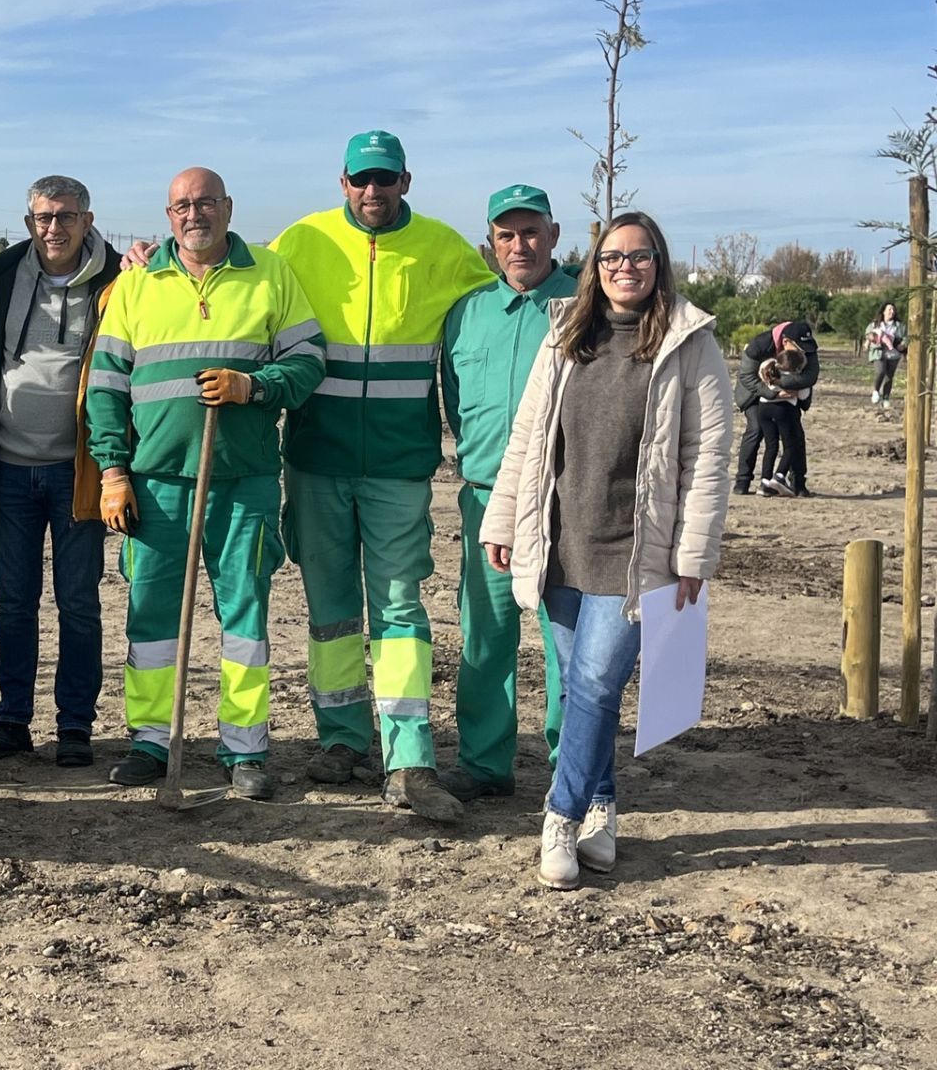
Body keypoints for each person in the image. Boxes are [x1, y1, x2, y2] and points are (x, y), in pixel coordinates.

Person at [480, 211, 732, 890]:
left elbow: (707, 457)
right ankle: (603, 807)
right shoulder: (565, 334)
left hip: (636, 550)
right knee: (580, 688)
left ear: (660, 263)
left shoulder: (689, 343)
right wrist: (503, 523)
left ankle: (559, 816)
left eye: (640, 256)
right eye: (613, 257)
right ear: (594, 266)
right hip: (564, 541)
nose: (626, 268)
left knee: (594, 684)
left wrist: (694, 556)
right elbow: (529, 437)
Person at [269, 130, 494, 824]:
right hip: (315, 459)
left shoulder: (443, 247)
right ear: (342, 182)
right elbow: (242, 285)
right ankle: (341, 740)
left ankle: (408, 759)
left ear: (406, 181)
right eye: (362, 179)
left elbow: (500, 302)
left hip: (399, 465)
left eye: (386, 179)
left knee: (399, 609)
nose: (374, 191)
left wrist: (570, 291)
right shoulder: (298, 242)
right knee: (331, 611)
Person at [87, 168, 325, 797]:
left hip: (241, 480)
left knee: (244, 616)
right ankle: (150, 739)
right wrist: (113, 471)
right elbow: (106, 386)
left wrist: (256, 386)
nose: (196, 214)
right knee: (151, 614)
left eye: (207, 203)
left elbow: (308, 360)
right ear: (168, 216)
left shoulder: (270, 273)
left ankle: (244, 750)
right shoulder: (136, 284)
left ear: (228, 208)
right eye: (183, 206)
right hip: (158, 481)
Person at [0, 175, 121, 767]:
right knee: (13, 602)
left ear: (87, 219)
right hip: (8, 470)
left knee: (78, 601)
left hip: (76, 471)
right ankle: (12, 722)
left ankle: (76, 725)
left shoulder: (117, 281)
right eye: (43, 217)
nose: (54, 228)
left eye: (66, 216)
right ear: (29, 222)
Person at [438, 184, 571, 802]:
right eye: (506, 235)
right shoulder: (466, 315)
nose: (520, 246)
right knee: (486, 636)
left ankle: (573, 766)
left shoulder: (586, 304)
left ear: (554, 233)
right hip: (489, 497)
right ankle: (485, 766)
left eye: (531, 232)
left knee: (567, 639)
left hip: (569, 501)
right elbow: (455, 404)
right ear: (491, 243)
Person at [733, 320, 819, 497]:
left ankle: (798, 483)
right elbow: (746, 376)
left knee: (796, 434)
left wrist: (781, 384)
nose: (804, 352)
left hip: (787, 395)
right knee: (755, 429)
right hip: (755, 392)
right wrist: (773, 391)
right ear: (786, 342)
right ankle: (743, 481)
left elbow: (810, 376)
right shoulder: (759, 345)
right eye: (799, 348)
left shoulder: (808, 348)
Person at [867, 302, 906, 406]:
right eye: (889, 309)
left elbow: (906, 338)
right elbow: (868, 336)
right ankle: (876, 391)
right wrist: (873, 341)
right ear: (883, 311)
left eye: (893, 310)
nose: (892, 312)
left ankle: (886, 398)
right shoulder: (875, 324)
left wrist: (902, 344)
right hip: (879, 353)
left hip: (893, 354)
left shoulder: (899, 326)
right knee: (881, 371)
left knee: (889, 376)